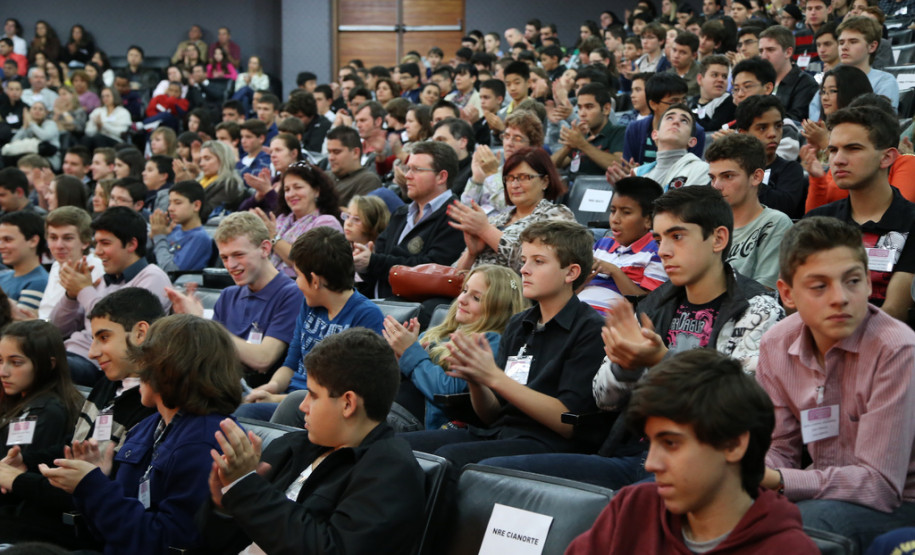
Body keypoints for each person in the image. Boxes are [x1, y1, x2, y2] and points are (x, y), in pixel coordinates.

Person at [481, 186, 783, 488]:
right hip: (631, 453)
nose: (663, 250)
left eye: (677, 237)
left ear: (718, 238)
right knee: (491, 474)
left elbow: (741, 404)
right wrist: (625, 367)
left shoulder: (756, 308)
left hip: (703, 462)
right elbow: (603, 398)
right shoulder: (654, 303)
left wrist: (661, 360)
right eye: (658, 239)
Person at [757, 217, 915, 552]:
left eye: (852, 281)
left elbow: (880, 485)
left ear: (870, 285)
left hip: (902, 502)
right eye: (819, 286)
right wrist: (746, 474)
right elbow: (779, 448)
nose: (840, 298)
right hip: (825, 489)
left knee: (804, 524)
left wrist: (778, 481)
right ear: (787, 294)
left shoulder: (897, 349)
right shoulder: (775, 344)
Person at [566, 349, 819, 554]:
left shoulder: (788, 549)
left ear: (733, 444)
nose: (652, 464)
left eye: (671, 443)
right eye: (652, 442)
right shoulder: (633, 507)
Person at [198, 327, 425, 554]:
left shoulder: (392, 471)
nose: (302, 406)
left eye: (313, 395)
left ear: (348, 404)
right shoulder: (292, 446)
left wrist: (246, 489)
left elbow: (331, 549)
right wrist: (225, 507)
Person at [402, 220, 605, 467]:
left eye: (538, 262)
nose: (524, 270)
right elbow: (492, 415)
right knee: (399, 446)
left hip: (548, 443)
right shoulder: (519, 324)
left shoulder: (590, 329)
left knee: (448, 458)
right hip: (500, 433)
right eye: (524, 261)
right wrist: (477, 379)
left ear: (571, 273)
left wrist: (495, 378)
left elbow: (567, 422)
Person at [39, 314, 242, 554]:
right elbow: (108, 533)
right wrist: (98, 479)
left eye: (144, 360)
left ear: (169, 369)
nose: (137, 368)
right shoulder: (148, 426)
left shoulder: (205, 442)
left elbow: (165, 543)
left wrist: (92, 486)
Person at [0, 287, 161, 549]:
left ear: (141, 333)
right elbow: (73, 443)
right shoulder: (109, 383)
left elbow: (97, 488)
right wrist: (25, 462)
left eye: (104, 337)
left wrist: (16, 479)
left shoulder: (152, 405)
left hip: (85, 530)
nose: (92, 352)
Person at [238, 227, 385, 421]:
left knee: (243, 416)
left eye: (298, 275)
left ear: (315, 280)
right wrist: (271, 387)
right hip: (289, 401)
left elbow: (346, 391)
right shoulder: (310, 305)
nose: (296, 282)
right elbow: (291, 363)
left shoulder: (366, 316)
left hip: (324, 410)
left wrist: (276, 399)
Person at [806, 105, 915, 320]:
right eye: (833, 150)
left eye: (853, 148)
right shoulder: (816, 222)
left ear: (886, 158)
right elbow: (799, 300)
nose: (838, 160)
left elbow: (895, 311)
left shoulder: (911, 222)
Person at [166, 212, 300, 387]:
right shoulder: (229, 295)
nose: (231, 265)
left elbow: (263, 359)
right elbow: (211, 357)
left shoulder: (291, 294)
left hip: (258, 395)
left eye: (238, 255)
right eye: (224, 257)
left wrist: (203, 324)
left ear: (265, 249)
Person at [49, 207, 170, 386]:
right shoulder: (106, 279)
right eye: (96, 243)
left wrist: (84, 290)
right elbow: (57, 329)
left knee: (36, 366)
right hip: (69, 352)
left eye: (105, 243)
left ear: (131, 244)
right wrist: (71, 294)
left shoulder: (153, 277)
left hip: (98, 365)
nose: (97, 251)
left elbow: (118, 326)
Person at [354, 141, 464, 299]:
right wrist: (363, 264)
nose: (407, 176)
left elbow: (431, 270)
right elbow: (377, 259)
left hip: (412, 315)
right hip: (377, 305)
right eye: (408, 168)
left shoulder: (456, 217)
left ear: (441, 177)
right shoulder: (401, 214)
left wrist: (373, 262)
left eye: (416, 170)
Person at [450, 147, 574, 272]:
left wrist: (486, 231)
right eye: (510, 178)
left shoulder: (557, 215)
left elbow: (538, 265)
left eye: (524, 177)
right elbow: (455, 274)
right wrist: (472, 254)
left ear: (545, 182)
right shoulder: (495, 220)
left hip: (513, 289)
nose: (514, 185)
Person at [708, 133, 792, 290]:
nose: (716, 186)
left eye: (727, 176)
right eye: (712, 178)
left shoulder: (775, 223)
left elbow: (764, 291)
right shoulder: (706, 225)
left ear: (756, 177)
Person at [578, 177, 667, 313]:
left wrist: (615, 272)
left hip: (609, 325)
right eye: (613, 211)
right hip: (576, 315)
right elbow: (572, 293)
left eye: (626, 213)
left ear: (649, 220)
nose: (615, 219)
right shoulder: (602, 244)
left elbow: (648, 305)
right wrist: (583, 279)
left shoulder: (657, 250)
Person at [0, 321, 82, 464]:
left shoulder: (48, 412)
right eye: (0, 361)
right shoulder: (16, 398)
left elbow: (20, 470)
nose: (3, 372)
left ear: (49, 364)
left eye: (16, 362)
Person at [252, 161, 342, 278]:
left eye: (298, 187)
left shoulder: (327, 223)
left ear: (316, 191)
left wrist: (273, 237)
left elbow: (304, 262)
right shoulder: (281, 220)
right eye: (287, 189)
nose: (291, 194)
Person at [808, 16, 899, 121]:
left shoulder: (884, 82)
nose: (844, 47)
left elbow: (880, 123)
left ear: (872, 46)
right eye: (841, 43)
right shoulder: (830, 79)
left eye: (853, 41)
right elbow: (814, 118)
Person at [734, 95, 807, 220]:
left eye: (778, 126)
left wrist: (746, 179)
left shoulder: (790, 169)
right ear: (743, 134)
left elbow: (784, 208)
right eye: (762, 128)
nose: (773, 134)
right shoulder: (730, 168)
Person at [462, 109, 543, 217]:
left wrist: (492, 175)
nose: (509, 143)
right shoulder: (498, 170)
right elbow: (464, 212)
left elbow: (514, 211)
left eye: (517, 138)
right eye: (506, 136)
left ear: (533, 145)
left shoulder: (535, 177)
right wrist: (477, 180)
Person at [613, 104, 710, 191]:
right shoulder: (638, 174)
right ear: (655, 134)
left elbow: (683, 209)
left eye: (684, 121)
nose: (676, 122)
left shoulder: (702, 170)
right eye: (670, 118)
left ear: (692, 141)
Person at [622, 73, 705, 165]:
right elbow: (628, 167)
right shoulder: (634, 129)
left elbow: (690, 173)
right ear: (653, 104)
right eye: (674, 101)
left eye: (684, 100)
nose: (681, 106)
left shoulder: (696, 132)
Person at [551, 83, 624, 180]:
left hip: (603, 190)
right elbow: (550, 166)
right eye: (580, 107)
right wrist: (568, 146)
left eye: (589, 107)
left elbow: (618, 165)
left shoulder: (619, 132)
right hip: (574, 189)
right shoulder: (581, 136)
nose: (582, 114)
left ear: (606, 109)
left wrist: (582, 144)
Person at [758, 25, 818, 122]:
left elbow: (795, 120)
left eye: (770, 50)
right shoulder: (759, 81)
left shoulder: (806, 84)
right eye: (761, 51)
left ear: (788, 52)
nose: (764, 56)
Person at [149, 181, 212, 272]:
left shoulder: (199, 237)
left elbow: (171, 270)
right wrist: (152, 235)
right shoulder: (174, 229)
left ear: (196, 205)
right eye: (170, 203)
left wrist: (159, 236)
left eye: (177, 203)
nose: (170, 208)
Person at [0, 211, 49, 311]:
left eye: (8, 240)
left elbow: (17, 323)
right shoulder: (3, 275)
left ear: (33, 241)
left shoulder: (39, 282)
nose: (1, 246)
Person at [194, 140, 244, 219]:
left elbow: (207, 213)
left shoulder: (230, 184)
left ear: (222, 159)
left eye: (207, 159)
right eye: (201, 159)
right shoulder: (198, 182)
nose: (201, 164)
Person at [689, 55, 735, 133]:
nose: (721, 80)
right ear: (700, 79)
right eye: (715, 75)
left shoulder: (730, 100)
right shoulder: (691, 103)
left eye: (724, 76)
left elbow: (713, 130)